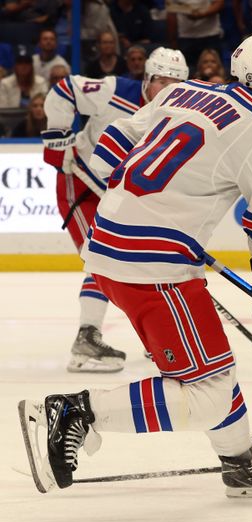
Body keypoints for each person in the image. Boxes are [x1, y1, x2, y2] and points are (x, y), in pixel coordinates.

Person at [19, 33, 252, 498]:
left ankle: (241, 464)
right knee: (209, 391)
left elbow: (117, 137)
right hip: (154, 266)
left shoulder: (185, 90)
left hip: (108, 245)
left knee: (209, 365)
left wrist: (138, 203)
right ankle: (76, 411)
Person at [41, 47, 189, 373]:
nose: (169, 92)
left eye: (177, 85)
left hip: (119, 197)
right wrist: (58, 139)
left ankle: (157, 339)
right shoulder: (115, 90)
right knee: (101, 261)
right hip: (81, 187)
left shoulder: (178, 117)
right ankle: (86, 338)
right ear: (148, 78)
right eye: (163, 83)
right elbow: (64, 91)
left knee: (147, 266)